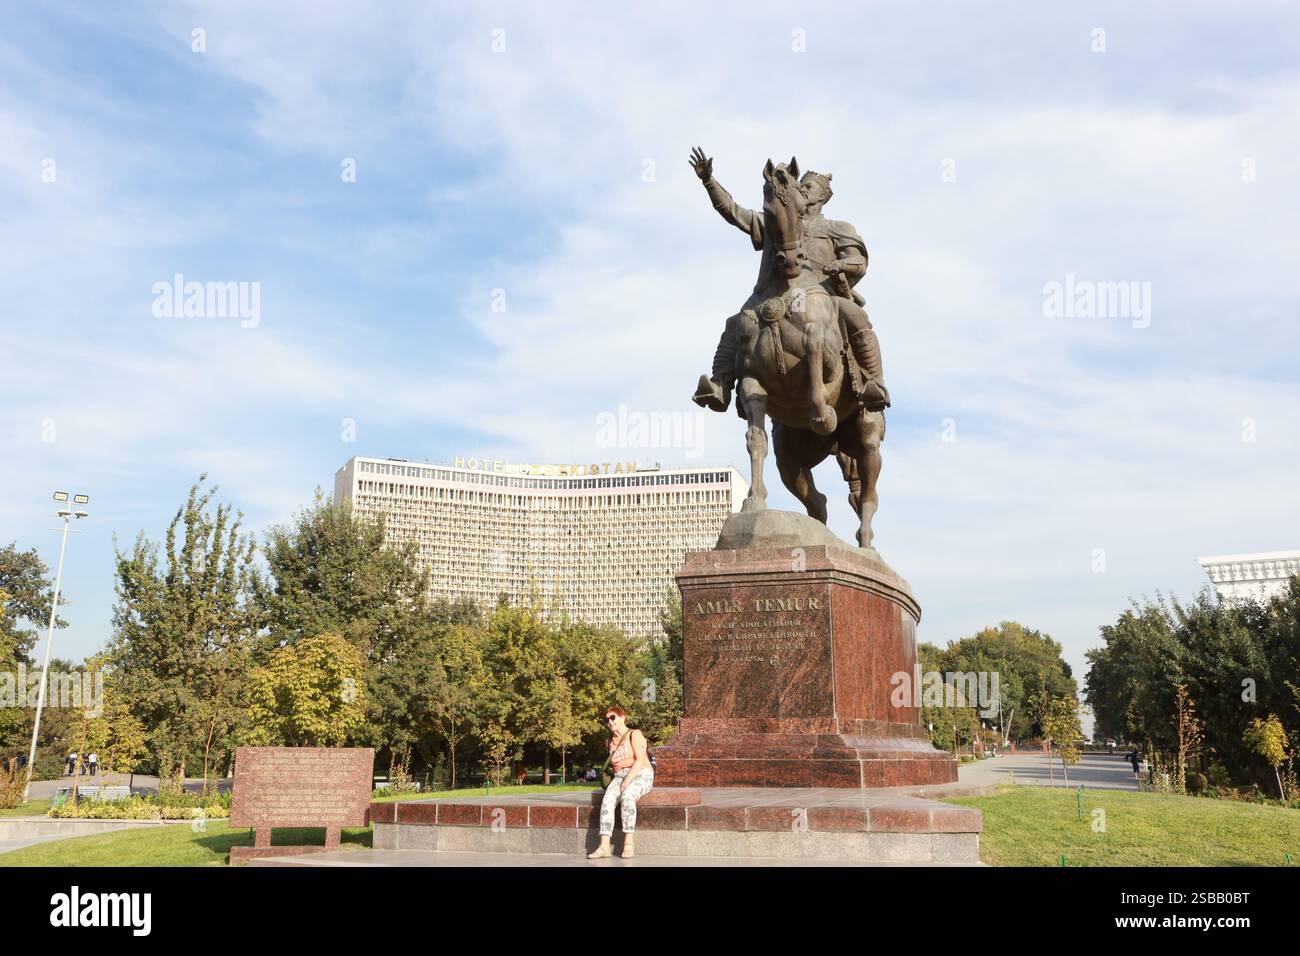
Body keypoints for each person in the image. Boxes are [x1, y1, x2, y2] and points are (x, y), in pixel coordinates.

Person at [686, 147, 890, 417]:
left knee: (856, 315)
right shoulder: (778, 222)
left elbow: (859, 262)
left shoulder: (838, 228)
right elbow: (734, 212)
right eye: (801, 185)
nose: (803, 189)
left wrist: (840, 265)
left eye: (808, 186)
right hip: (780, 293)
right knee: (735, 323)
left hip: (825, 297)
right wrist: (709, 181)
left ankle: (874, 383)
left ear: (822, 196)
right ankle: (721, 383)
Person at [588, 706, 653, 860]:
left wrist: (628, 780)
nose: (609, 722)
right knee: (608, 800)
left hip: (640, 772)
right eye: (606, 720)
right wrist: (620, 780)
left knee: (628, 796)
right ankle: (604, 846)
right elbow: (615, 767)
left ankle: (628, 843)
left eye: (613, 717)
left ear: (623, 717)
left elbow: (639, 760)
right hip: (619, 776)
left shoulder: (634, 734)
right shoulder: (609, 742)